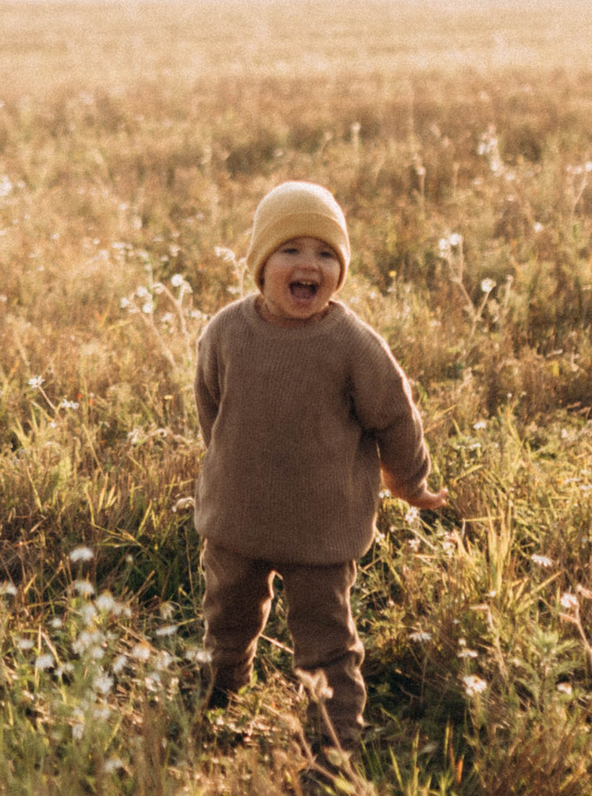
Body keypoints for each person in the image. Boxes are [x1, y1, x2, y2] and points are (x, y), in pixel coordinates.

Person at [191, 180, 445, 760]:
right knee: (226, 616)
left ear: (340, 270)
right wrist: (226, 465)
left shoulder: (351, 344)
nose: (309, 264)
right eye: (291, 249)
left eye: (326, 254)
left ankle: (334, 745)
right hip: (237, 520)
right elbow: (212, 406)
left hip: (322, 529)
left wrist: (410, 480)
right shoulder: (226, 333)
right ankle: (218, 691)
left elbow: (395, 415)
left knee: (325, 640)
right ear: (261, 263)